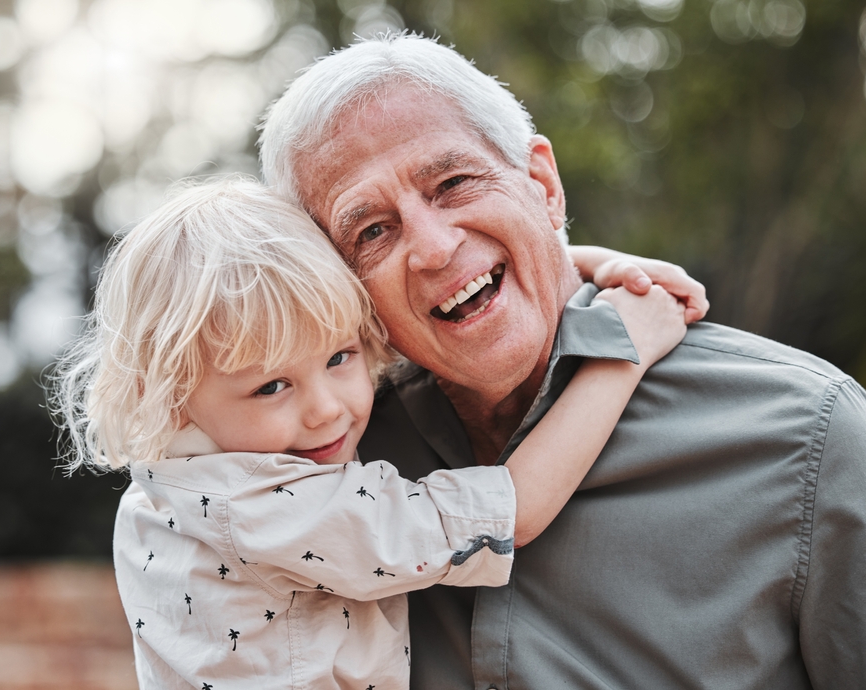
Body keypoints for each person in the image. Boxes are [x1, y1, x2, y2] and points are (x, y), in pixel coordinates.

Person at [258, 34, 866, 688]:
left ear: (544, 184)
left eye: (454, 183)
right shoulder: (322, 464)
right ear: (337, 284)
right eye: (372, 231)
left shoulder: (805, 435)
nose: (433, 248)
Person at [50, 178, 690, 688]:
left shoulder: (168, 488)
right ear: (171, 395)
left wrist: (586, 265)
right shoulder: (259, 505)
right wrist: (622, 350)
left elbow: (417, 307)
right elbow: (508, 509)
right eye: (272, 387)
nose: (327, 409)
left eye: (339, 358)